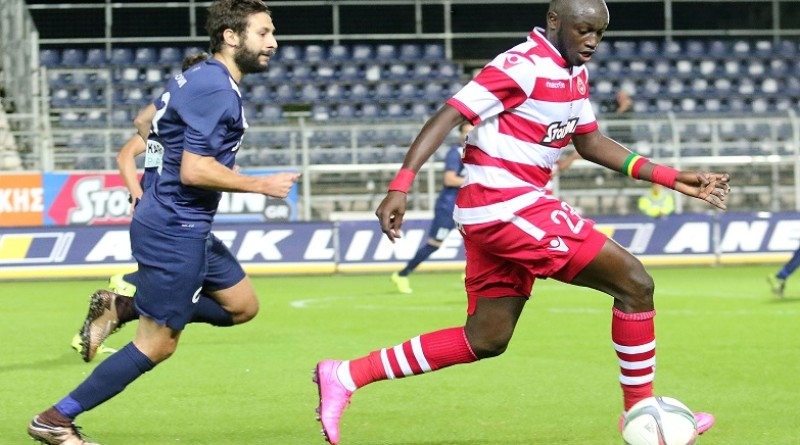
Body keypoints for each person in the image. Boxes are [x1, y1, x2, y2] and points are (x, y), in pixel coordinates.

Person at [312, 1, 731, 444]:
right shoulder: (521, 66)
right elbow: (449, 114)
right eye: (583, 29)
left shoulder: (574, 73)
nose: (592, 41)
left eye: (599, 33)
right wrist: (401, 185)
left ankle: (345, 375)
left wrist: (670, 177)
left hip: (502, 211)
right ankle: (640, 414)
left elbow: (589, 143)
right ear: (554, 21)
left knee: (486, 338)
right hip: (505, 207)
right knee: (634, 283)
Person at [28, 1, 300, 443]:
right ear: (231, 37)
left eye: (272, 32)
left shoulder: (198, 74)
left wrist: (163, 168)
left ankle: (124, 306)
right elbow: (194, 171)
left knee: (242, 306)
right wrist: (260, 185)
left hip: (182, 221)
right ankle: (55, 420)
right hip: (175, 228)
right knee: (157, 344)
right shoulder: (217, 89)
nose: (273, 42)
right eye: (263, 32)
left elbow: (144, 120)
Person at [70, 53, 212, 360]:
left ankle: (95, 329)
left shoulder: (182, 121)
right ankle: (126, 287)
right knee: (190, 286)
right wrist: (137, 193)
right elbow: (125, 154)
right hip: (169, 212)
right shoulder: (170, 122)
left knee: (186, 284)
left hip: (174, 211)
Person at [391, 122, 473, 294]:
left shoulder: (478, 153)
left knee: (480, 241)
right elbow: (450, 179)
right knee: (434, 244)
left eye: (471, 132)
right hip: (448, 208)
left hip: (467, 207)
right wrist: (477, 182)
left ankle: (471, 274)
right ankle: (402, 274)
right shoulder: (455, 153)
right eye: (465, 132)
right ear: (460, 135)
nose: (468, 135)